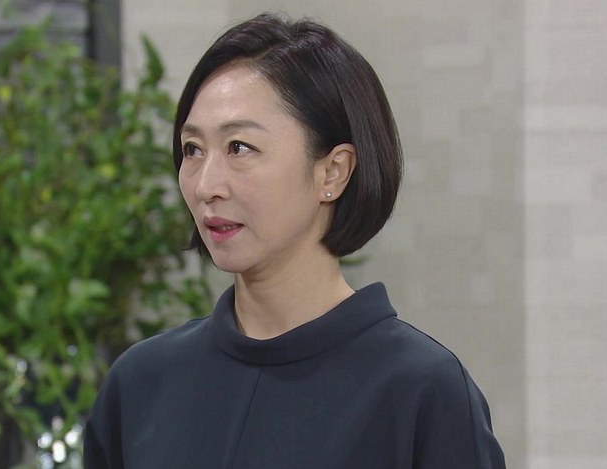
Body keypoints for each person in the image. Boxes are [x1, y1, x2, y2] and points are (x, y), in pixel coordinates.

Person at [84, 12, 505, 469]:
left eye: (239, 147)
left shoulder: (423, 391)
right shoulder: (140, 383)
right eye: (193, 150)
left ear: (333, 171)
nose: (206, 186)